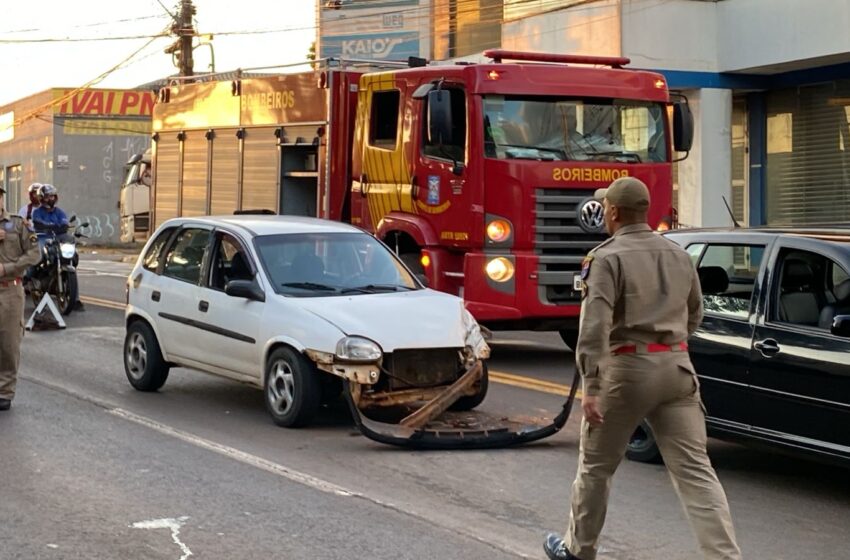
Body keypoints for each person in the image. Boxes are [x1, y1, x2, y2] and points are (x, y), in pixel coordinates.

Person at [544, 177, 742, 560]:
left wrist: (593, 386)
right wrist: (667, 345)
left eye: (605, 208)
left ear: (614, 213)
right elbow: (695, 313)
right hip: (677, 368)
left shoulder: (605, 258)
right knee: (696, 472)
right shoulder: (678, 254)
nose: (602, 214)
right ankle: (724, 557)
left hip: (626, 370)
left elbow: (594, 328)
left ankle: (578, 550)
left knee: (596, 468)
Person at [0, 183, 41, 411]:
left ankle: (5, 391)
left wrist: (8, 268)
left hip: (10, 290)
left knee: (8, 342)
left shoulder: (18, 224)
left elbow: (35, 254)